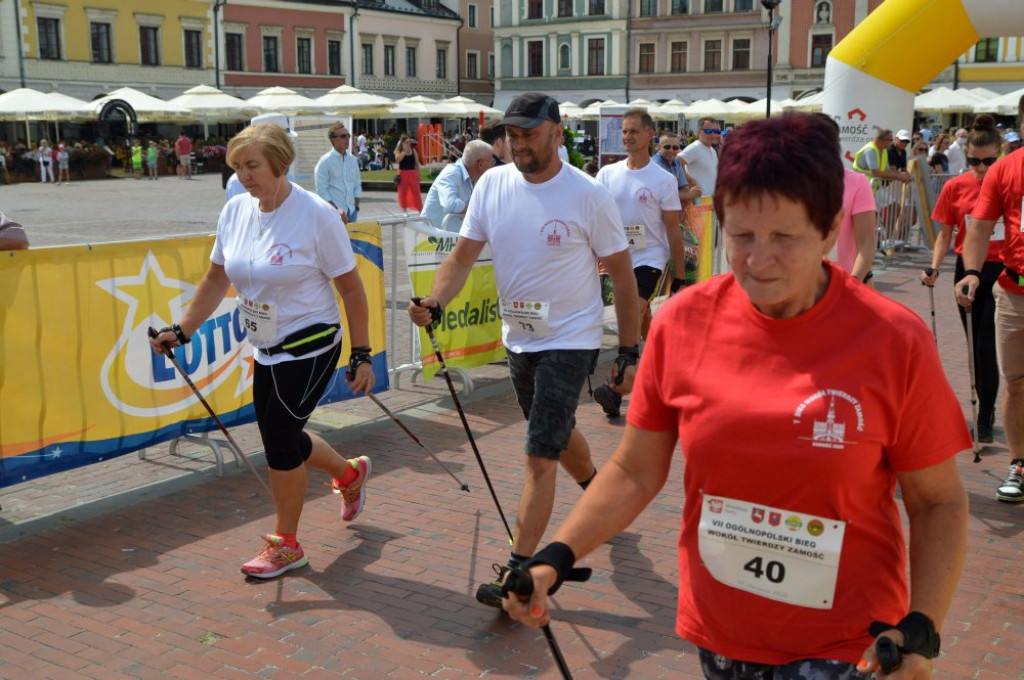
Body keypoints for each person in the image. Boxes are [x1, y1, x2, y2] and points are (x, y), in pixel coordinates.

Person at [503, 113, 971, 680]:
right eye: (742, 235)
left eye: (784, 238)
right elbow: (634, 470)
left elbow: (937, 501)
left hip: (850, 643)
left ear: (829, 231)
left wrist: (923, 626)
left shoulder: (893, 340)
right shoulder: (681, 323)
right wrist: (555, 556)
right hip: (722, 634)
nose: (757, 259)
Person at [408, 92, 641, 609]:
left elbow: (623, 276)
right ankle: (602, 496)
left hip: (572, 339)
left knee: (539, 454)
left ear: (557, 133)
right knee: (554, 433)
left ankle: (519, 568)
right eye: (512, 134)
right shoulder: (492, 183)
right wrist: (435, 302)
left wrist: (628, 349)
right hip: (520, 337)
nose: (519, 143)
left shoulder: (588, 194)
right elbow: (463, 256)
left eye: (530, 134)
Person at [148, 123, 376, 578]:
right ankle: (349, 475)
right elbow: (217, 278)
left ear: (280, 162)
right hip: (267, 343)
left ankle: (286, 544)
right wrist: (183, 329)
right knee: (283, 435)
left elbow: (351, 289)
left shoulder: (317, 215)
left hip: (311, 343)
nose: (244, 176)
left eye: (252, 166)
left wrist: (362, 352)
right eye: (237, 167)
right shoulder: (235, 211)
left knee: (277, 440)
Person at [592, 108, 684, 417]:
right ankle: (669, 363)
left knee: (632, 307)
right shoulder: (608, 174)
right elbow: (596, 220)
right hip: (618, 259)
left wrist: (680, 277)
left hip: (650, 258)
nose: (628, 136)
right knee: (640, 320)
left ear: (649, 136)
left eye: (634, 131)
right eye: (625, 131)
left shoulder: (663, 179)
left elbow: (673, 228)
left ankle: (616, 387)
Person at [955, 94, 1024, 503]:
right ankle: (1019, 463)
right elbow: (979, 228)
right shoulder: (1006, 169)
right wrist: (974, 273)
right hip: (1015, 291)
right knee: (1017, 386)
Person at [923, 115, 1004, 444]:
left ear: (1001, 153)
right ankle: (982, 403)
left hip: (1002, 270)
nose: (982, 168)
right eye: (974, 161)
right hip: (967, 272)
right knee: (974, 346)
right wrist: (934, 267)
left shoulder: (1011, 183)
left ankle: (984, 414)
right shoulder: (956, 187)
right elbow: (945, 235)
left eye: (989, 161)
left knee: (987, 345)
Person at [818, 115, 877, 282]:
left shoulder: (857, 183)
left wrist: (854, 282)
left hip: (841, 283)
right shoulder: (788, 183)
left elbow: (866, 241)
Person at [421, 139, 494, 231]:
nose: (492, 166)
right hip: (431, 239)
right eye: (492, 161)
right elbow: (450, 203)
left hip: (449, 238)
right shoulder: (451, 174)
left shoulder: (475, 177)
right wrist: (476, 211)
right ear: (481, 164)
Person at [315, 123, 362, 224]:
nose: (347, 138)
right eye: (343, 136)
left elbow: (357, 184)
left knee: (351, 240)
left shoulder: (353, 160)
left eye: (348, 135)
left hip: (352, 211)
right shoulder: (325, 161)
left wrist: (356, 206)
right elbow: (321, 190)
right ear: (333, 140)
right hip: (333, 213)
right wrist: (336, 210)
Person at [652, 131, 703, 204]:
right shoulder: (655, 163)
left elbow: (684, 188)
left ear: (679, 149)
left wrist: (684, 194)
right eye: (667, 147)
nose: (671, 150)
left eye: (675, 147)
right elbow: (663, 195)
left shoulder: (676, 162)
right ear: (659, 148)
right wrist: (689, 194)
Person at [679, 118, 720, 199]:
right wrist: (691, 181)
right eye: (708, 131)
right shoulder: (695, 147)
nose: (713, 135)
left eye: (715, 131)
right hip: (699, 201)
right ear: (699, 132)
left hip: (710, 200)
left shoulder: (712, 150)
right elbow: (676, 163)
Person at [394, 134, 423, 214]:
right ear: (402, 143)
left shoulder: (413, 150)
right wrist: (404, 151)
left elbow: (417, 163)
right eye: (406, 142)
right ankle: (404, 210)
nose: (408, 143)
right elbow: (398, 160)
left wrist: (419, 174)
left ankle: (421, 210)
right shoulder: (399, 150)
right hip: (402, 173)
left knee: (416, 192)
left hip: (412, 173)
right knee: (402, 192)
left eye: (409, 142)